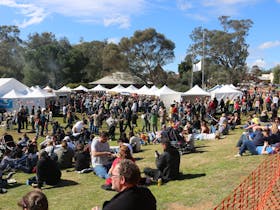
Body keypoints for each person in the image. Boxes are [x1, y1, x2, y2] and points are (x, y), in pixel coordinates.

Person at [92, 159, 157, 210]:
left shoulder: (113, 206)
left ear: (122, 180)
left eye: (112, 175)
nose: (111, 178)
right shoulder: (146, 192)